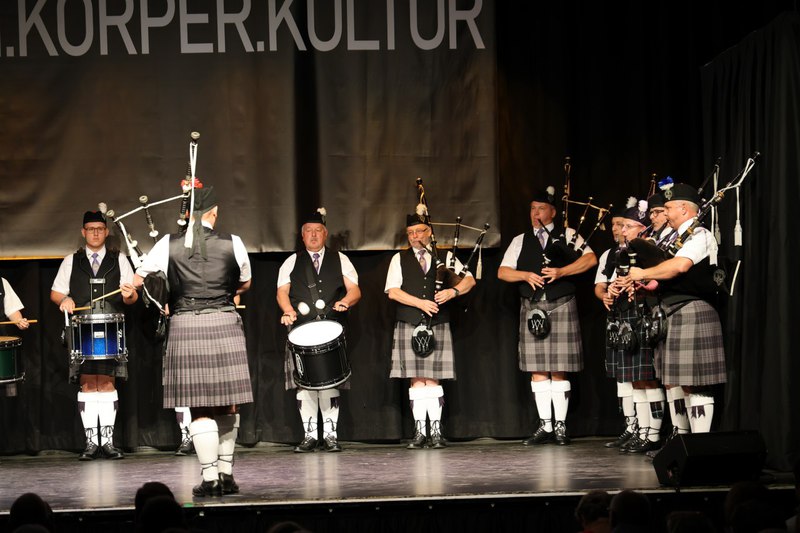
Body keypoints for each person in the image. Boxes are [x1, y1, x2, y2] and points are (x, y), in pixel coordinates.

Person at [134, 186, 253, 497]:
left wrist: (164, 295)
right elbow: (245, 282)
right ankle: (226, 475)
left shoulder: (167, 244)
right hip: (225, 320)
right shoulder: (234, 242)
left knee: (199, 406)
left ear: (187, 215)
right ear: (215, 213)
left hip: (186, 323)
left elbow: (140, 279)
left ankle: (210, 478)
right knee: (228, 402)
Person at [498, 186, 597, 445]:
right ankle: (546, 425)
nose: (535, 213)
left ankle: (561, 426)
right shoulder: (520, 240)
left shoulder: (569, 234)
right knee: (538, 370)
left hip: (561, 304)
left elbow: (590, 259)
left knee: (559, 370)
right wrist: (524, 275)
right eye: (532, 209)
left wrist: (562, 272)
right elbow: (503, 272)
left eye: (541, 208)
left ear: (553, 212)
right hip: (532, 308)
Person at [629, 183, 726, 436]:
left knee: (695, 382)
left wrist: (642, 273)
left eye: (669, 208)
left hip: (692, 310)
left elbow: (680, 266)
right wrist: (644, 286)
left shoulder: (700, 234)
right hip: (669, 312)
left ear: (684, 209)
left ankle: (698, 444)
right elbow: (663, 276)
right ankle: (680, 440)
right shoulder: (672, 237)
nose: (665, 213)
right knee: (674, 381)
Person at [50, 210, 138, 461]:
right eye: (91, 229)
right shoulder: (71, 261)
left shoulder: (119, 259)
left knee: (107, 382)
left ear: (106, 232)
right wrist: (64, 299)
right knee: (88, 382)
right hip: (82, 330)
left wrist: (130, 294)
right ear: (83, 232)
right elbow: (56, 293)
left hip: (111, 329)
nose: (96, 233)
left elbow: (131, 298)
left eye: (100, 228)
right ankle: (91, 443)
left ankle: (107, 443)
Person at [385, 211, 475, 449]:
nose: (415, 236)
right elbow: (393, 291)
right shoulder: (399, 259)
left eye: (419, 231)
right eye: (410, 233)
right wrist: (420, 303)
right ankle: (420, 432)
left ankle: (434, 431)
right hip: (410, 322)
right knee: (417, 379)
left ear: (429, 232)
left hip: (437, 323)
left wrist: (452, 292)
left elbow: (469, 280)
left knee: (433, 378)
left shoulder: (444, 256)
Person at [277, 208, 361, 453]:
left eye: (317, 231)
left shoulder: (340, 259)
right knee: (305, 384)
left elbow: (355, 290)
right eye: (308, 231)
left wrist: (346, 301)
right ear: (302, 236)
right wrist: (287, 310)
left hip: (331, 329)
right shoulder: (291, 261)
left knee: (329, 381)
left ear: (325, 234)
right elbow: (282, 292)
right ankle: (310, 435)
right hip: (301, 330)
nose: (313, 235)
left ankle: (331, 435)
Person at [594, 198, 665, 454]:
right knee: (635, 380)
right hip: (624, 314)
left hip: (644, 313)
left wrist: (638, 283)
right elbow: (612, 280)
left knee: (647, 379)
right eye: (621, 226)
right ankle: (642, 431)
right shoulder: (620, 253)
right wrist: (613, 289)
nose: (622, 231)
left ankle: (653, 434)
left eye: (628, 226)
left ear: (642, 228)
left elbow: (657, 279)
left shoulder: (651, 248)